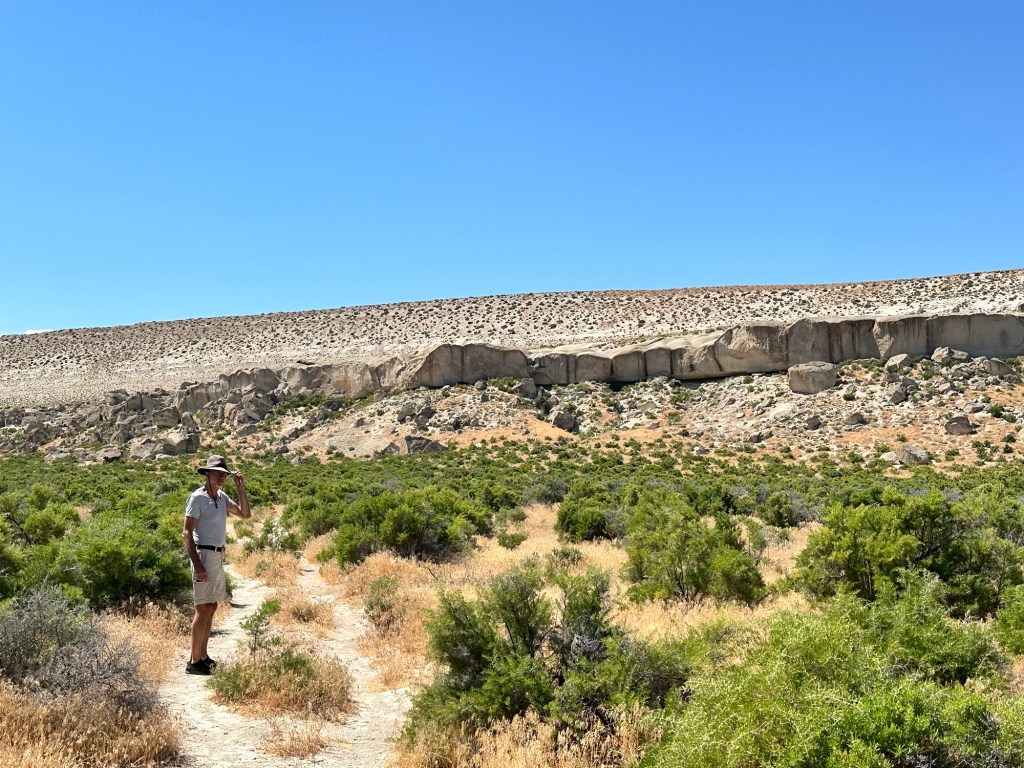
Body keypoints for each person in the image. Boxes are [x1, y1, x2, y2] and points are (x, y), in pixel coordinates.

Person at [183, 454, 251, 675]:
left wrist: (241, 489)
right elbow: (187, 532)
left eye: (224, 474)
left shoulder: (221, 497)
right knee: (202, 608)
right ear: (207, 474)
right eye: (218, 473)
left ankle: (203, 656)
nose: (221, 477)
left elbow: (245, 515)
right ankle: (193, 662)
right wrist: (198, 565)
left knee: (211, 606)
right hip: (203, 555)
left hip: (217, 556)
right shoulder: (197, 498)